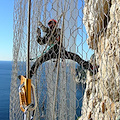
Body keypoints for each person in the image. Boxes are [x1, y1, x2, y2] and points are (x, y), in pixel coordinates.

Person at [23, 19, 99, 79]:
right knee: (38, 61)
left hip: (60, 51)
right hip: (51, 52)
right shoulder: (48, 35)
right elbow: (41, 42)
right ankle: (29, 75)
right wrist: (38, 35)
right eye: (50, 23)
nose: (51, 25)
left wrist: (42, 27)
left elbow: (52, 32)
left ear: (56, 24)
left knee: (75, 57)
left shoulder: (58, 30)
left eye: (52, 23)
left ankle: (90, 67)